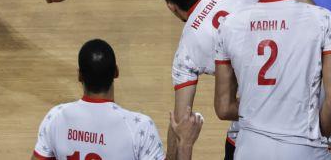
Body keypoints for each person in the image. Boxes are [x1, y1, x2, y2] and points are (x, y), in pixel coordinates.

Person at [157, 0, 313, 160]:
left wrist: (170, 157)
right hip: (302, 101)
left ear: (171, 6)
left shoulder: (185, 51)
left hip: (254, 122)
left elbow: (181, 120)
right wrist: (314, 17)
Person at [214, 0, 331, 160]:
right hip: (304, 150)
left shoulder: (229, 26)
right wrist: (321, 131)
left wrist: (262, 105)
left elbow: (223, 108)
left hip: (249, 151)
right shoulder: (323, 19)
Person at [31, 39, 203, 160]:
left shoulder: (55, 117)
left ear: (79, 76)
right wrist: (185, 144)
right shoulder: (139, 126)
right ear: (116, 72)